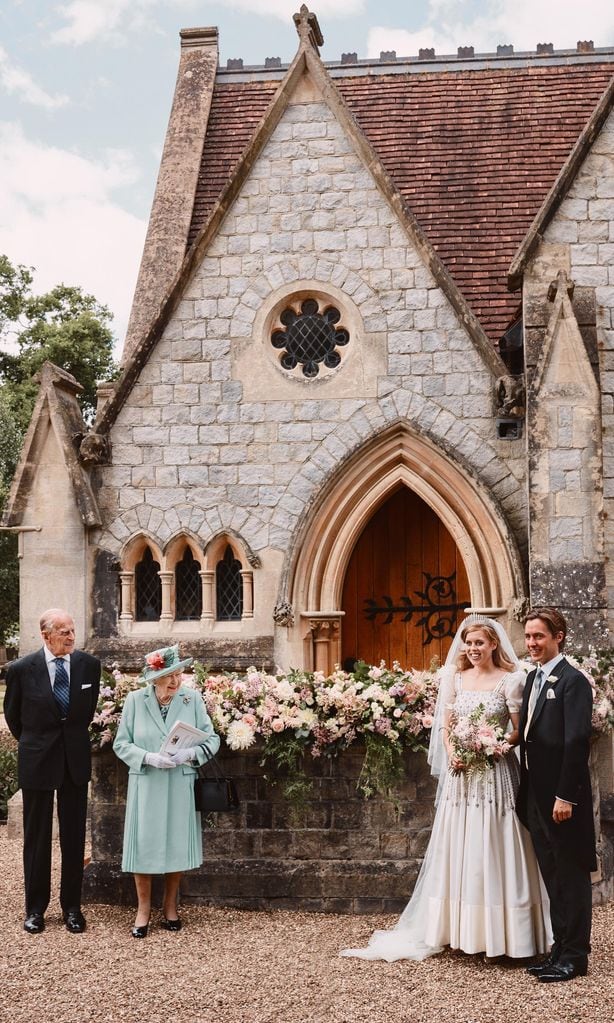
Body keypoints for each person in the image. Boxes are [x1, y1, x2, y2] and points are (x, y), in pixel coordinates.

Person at [341, 614, 550, 962]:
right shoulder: (454, 676)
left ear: (493, 644)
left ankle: (507, 935)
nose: (472, 649)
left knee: (496, 843)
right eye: (468, 643)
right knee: (461, 843)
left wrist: (493, 745)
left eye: (479, 643)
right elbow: (445, 727)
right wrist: (455, 753)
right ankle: (459, 929)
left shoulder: (511, 680)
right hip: (461, 778)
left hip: (495, 774)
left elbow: (518, 729)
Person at [4, 608, 101, 934]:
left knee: (74, 837)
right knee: (37, 837)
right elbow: (14, 718)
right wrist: (39, 744)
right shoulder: (20, 670)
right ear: (46, 636)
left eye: (72, 630)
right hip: (37, 759)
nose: (71, 637)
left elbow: (85, 715)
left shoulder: (90, 666)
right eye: (64, 632)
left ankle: (72, 907)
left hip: (74, 761)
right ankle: (35, 910)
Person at [113, 644, 220, 937]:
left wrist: (190, 755)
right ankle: (143, 910)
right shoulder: (135, 701)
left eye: (179, 673)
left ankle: (170, 907)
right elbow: (121, 744)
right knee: (143, 845)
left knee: (175, 843)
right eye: (169, 675)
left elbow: (212, 741)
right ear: (153, 678)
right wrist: (148, 757)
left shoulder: (191, 699)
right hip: (146, 781)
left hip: (179, 780)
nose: (176, 681)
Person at [516, 607, 596, 982]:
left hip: (563, 801)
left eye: (539, 637)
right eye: (528, 636)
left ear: (558, 637)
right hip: (536, 795)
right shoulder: (533, 679)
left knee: (571, 875)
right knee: (552, 876)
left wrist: (566, 796)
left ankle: (575, 957)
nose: (532, 643)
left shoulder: (573, 681)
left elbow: (577, 741)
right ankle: (558, 950)